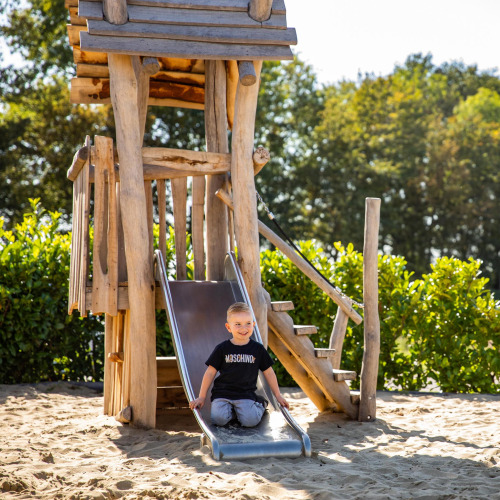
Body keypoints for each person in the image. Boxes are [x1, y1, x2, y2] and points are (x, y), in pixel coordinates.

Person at [189, 302, 289, 427]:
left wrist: (278, 395)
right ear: (228, 327)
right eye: (237, 324)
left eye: (248, 323)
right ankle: (234, 413)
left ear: (253, 324)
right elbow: (210, 372)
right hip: (223, 393)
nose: (244, 328)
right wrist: (201, 397)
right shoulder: (222, 348)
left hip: (245, 394)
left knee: (250, 422)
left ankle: (260, 405)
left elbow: (268, 372)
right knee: (219, 420)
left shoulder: (257, 349)